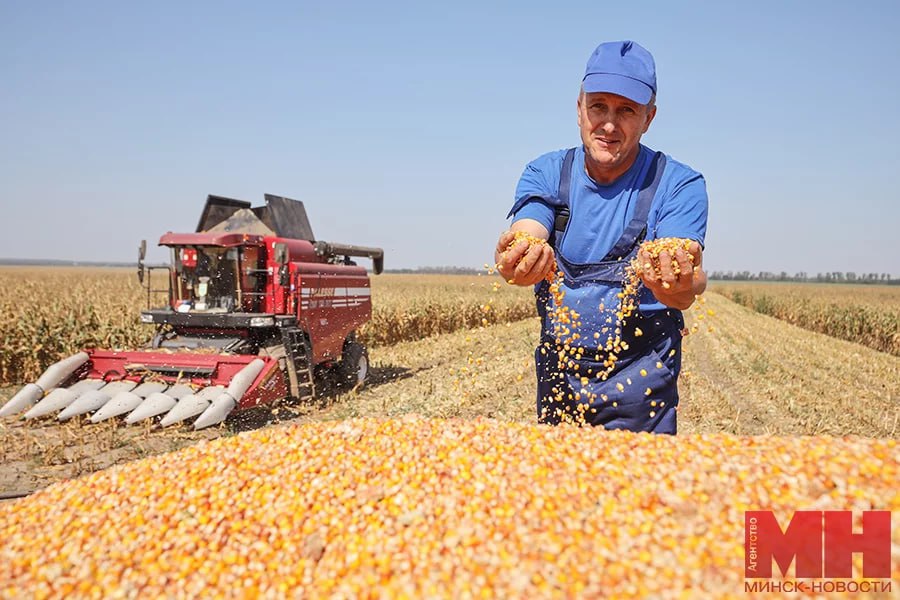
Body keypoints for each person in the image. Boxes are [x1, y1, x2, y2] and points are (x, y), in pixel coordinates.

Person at [495, 40, 708, 434]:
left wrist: (679, 280)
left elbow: (684, 284)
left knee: (637, 491)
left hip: (641, 380)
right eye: (599, 106)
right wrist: (522, 252)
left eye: (627, 110)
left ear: (649, 118)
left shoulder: (678, 184)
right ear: (579, 107)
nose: (609, 124)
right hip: (560, 377)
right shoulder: (547, 172)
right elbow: (530, 226)